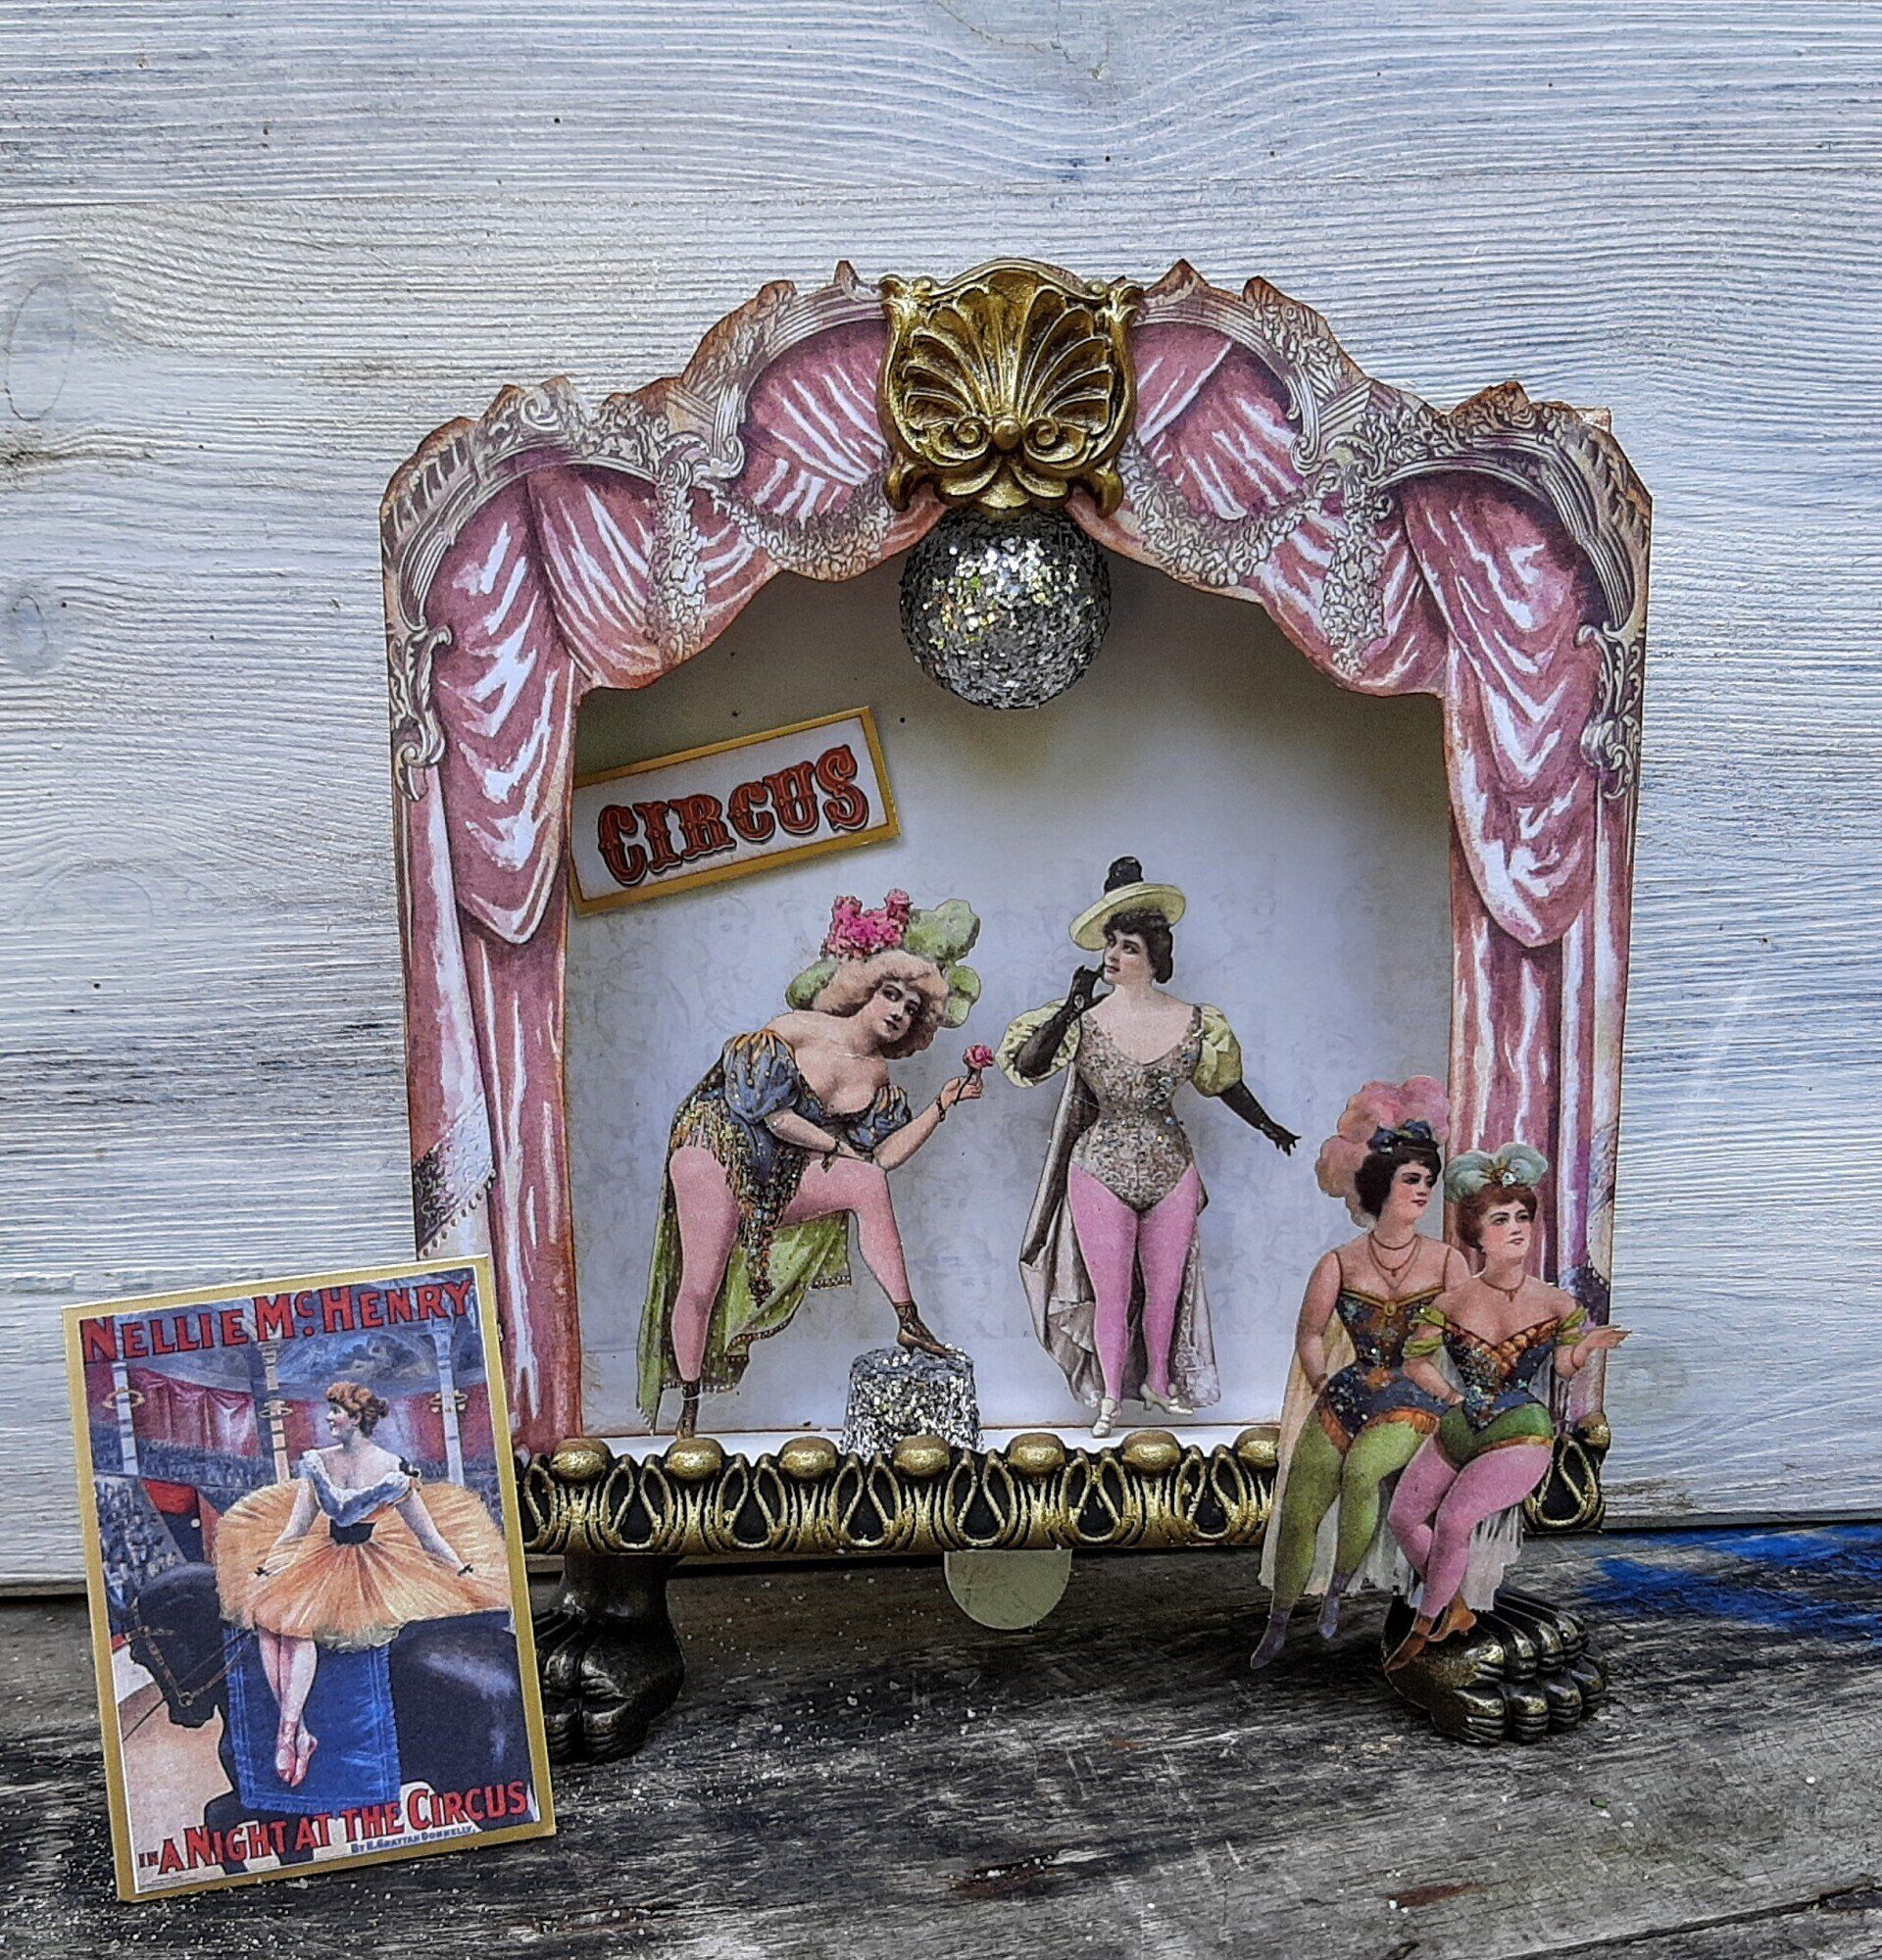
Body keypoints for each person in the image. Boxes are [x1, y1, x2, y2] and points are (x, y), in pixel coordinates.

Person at [637, 898, 984, 1438]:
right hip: (718, 1145)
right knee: (702, 1281)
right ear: (865, 990)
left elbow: (880, 1161)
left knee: (866, 1184)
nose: (899, 1012)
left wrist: (942, 1104)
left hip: (783, 1168)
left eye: (912, 1008)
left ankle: (908, 1319)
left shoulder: (877, 1077)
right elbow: (771, 1115)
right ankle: (689, 1407)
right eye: (892, 995)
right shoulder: (799, 1028)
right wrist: (838, 1148)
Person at [1000, 858, 1297, 1439]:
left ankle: (1159, 1382)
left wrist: (1268, 1125)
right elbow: (1029, 1065)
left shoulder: (1196, 1022)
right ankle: (1110, 1398)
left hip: (1172, 1166)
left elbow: (1225, 1085)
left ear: (1155, 959)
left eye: (1129, 947)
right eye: (1111, 944)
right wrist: (1070, 1007)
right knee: (1111, 1293)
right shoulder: (1083, 1020)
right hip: (1099, 1165)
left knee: (1165, 1289)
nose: (1113, 956)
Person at [1384, 1145, 1629, 1668]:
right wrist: (1452, 1396)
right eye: (1501, 1220)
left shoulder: (1558, 1303)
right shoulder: (1451, 1302)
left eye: (1523, 1217)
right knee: (1404, 1517)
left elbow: (1563, 1367)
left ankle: (1423, 1629)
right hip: (1462, 1424)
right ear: (1477, 1235)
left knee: (1454, 1520)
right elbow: (1415, 1362)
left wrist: (1586, 1346)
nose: (1517, 1229)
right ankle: (1454, 1606)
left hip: (1522, 1428)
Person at [1251, 1105, 1468, 1667]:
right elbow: (1309, 1333)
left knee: (1363, 1472)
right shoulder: (1339, 1262)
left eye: (1429, 1180)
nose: (1423, 1190)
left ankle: (1338, 1594)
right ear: (1381, 1185)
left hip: (1412, 1397)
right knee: (1300, 1507)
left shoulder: (1448, 1262)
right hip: (1346, 1394)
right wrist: (1322, 1378)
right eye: (1412, 1179)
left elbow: (1470, 1335)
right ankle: (1279, 1619)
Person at [214, 1381, 509, 1787]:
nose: (329, 1418)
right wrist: (269, 1566)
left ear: (355, 1419)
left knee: (296, 1628)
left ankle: (288, 1734)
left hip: (373, 1568)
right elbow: (296, 1528)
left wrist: (461, 1570)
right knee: (270, 1622)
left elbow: (428, 1536)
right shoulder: (317, 1463)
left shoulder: (394, 1470)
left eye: (336, 1411)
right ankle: (297, 1732)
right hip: (320, 1556)